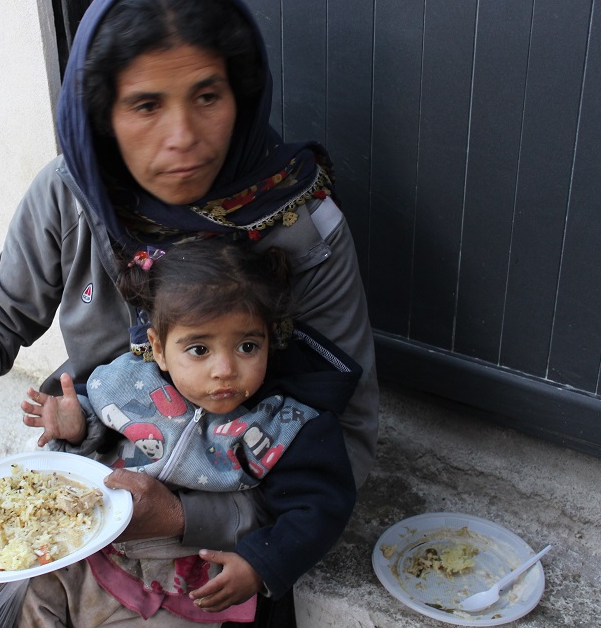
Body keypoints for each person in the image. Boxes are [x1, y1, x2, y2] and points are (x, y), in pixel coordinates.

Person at [0, 0, 378, 603]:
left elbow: (347, 439)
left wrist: (186, 516)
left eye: (207, 96)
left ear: (243, 96)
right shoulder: (72, 195)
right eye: (145, 105)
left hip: (216, 546)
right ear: (103, 115)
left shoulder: (298, 226)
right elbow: (2, 309)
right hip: (78, 499)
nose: (183, 138)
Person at [18, 240, 357, 626]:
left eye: (247, 346)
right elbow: (99, 419)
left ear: (270, 340)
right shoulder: (129, 382)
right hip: (94, 553)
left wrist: (261, 564)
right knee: (29, 596)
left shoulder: (286, 424)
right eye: (199, 350)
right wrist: (78, 426)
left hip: (186, 587)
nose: (224, 370)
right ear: (159, 348)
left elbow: (319, 508)